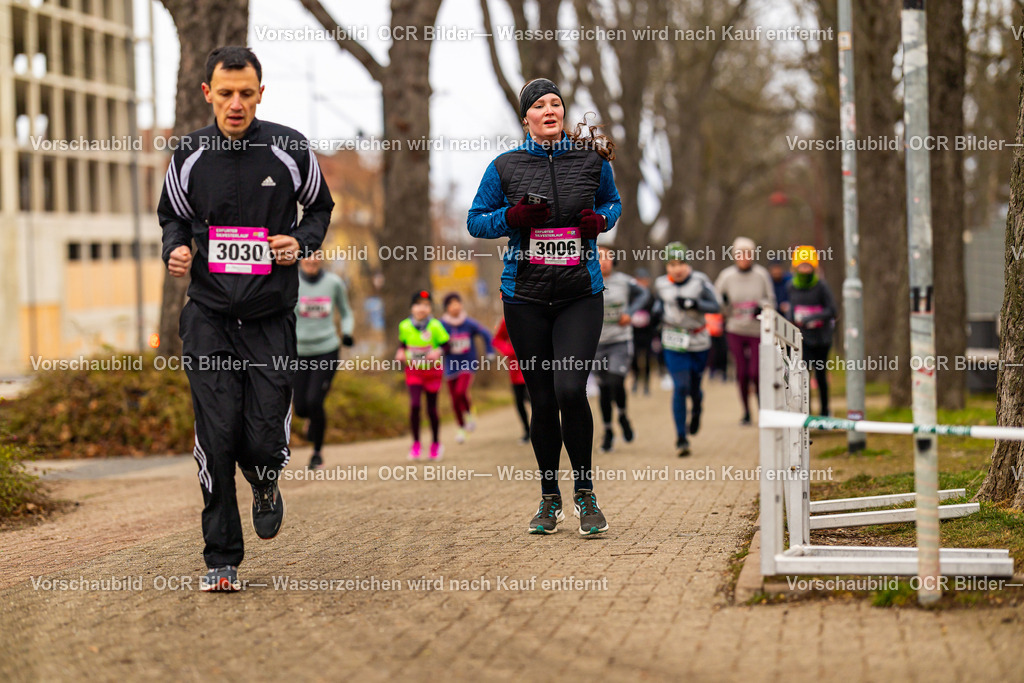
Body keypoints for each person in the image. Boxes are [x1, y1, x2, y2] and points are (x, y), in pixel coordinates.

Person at [159, 47, 334, 592]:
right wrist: (177, 250)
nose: (236, 103)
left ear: (261, 93)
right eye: (226, 92)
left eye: (247, 92)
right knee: (216, 436)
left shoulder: (289, 150)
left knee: (261, 437)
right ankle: (221, 559)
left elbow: (321, 208)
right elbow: (173, 216)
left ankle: (265, 481)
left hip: (269, 318)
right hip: (208, 315)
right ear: (207, 92)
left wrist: (299, 242)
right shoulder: (188, 153)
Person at [467, 77, 621, 536]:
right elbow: (475, 221)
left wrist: (600, 221)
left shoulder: (591, 160)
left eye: (556, 103)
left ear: (563, 113)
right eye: (539, 105)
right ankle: (549, 498)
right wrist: (511, 218)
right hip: (525, 296)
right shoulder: (505, 167)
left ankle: (586, 493)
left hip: (579, 293)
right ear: (526, 118)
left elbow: (611, 204)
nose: (549, 110)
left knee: (571, 390)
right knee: (543, 398)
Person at [653, 242, 720, 456]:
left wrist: (694, 304)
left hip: (698, 340)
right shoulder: (661, 284)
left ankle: (698, 407)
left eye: (681, 263)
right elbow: (657, 305)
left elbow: (716, 306)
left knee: (694, 387)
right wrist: (655, 314)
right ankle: (681, 438)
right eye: (672, 264)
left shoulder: (700, 281)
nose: (677, 268)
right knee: (680, 387)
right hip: (673, 340)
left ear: (688, 264)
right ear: (667, 267)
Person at [293, 253, 354, 470]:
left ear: (320, 259)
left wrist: (347, 332)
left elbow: (346, 313)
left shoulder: (334, 283)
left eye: (315, 257)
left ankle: (317, 452)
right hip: (299, 351)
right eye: (307, 257)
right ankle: (310, 418)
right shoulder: (292, 282)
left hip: (327, 349)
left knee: (314, 400)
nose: (311, 261)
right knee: (300, 407)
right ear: (300, 260)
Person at [714, 236, 775, 426]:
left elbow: (771, 300)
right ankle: (746, 411)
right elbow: (716, 302)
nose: (744, 257)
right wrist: (723, 304)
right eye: (740, 254)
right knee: (742, 372)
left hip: (757, 330)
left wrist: (762, 307)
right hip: (735, 328)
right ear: (734, 256)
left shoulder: (761, 275)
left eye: (748, 253)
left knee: (756, 372)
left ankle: (762, 409)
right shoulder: (726, 276)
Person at [595, 245, 650, 452]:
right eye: (599, 256)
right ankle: (608, 431)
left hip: (620, 341)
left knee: (615, 380)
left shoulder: (625, 281)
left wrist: (631, 312)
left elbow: (644, 294)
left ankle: (623, 415)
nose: (604, 261)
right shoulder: (586, 280)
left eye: (608, 257)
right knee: (603, 388)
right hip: (596, 343)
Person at [396, 290, 450, 461]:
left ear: (430, 308)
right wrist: (400, 352)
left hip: (432, 372)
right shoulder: (404, 325)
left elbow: (447, 345)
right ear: (412, 308)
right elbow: (402, 343)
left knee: (431, 409)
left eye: (426, 305)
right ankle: (416, 444)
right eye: (418, 305)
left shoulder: (435, 325)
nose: (421, 309)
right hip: (413, 371)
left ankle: (435, 444)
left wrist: (438, 351)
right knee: (415, 405)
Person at [786, 246, 837, 417]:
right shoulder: (791, 287)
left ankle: (824, 411)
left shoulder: (821, 286)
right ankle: (806, 413)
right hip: (803, 340)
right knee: (804, 375)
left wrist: (812, 317)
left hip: (822, 338)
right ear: (795, 267)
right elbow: (792, 310)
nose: (805, 269)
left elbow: (832, 310)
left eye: (808, 266)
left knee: (821, 376)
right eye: (801, 266)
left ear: (814, 267)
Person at [440, 292, 495, 443]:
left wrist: (490, 351)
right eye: (451, 304)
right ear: (447, 308)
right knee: (454, 399)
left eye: (458, 303)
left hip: (467, 363)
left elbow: (486, 334)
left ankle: (470, 413)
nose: (455, 306)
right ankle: (461, 427)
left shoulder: (469, 323)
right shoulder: (441, 325)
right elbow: (432, 339)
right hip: (450, 364)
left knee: (460, 391)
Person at [494, 316, 531, 443]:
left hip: (535, 365)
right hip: (515, 369)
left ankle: (546, 428)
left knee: (536, 399)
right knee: (519, 401)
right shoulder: (507, 320)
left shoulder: (534, 313)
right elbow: (497, 339)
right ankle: (527, 431)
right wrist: (509, 350)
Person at [630, 267, 662, 395]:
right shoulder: (631, 296)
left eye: (644, 280)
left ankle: (647, 384)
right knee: (634, 358)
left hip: (648, 332)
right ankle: (636, 380)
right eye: (639, 280)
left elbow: (656, 313)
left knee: (648, 358)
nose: (642, 283)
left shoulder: (651, 296)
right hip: (633, 332)